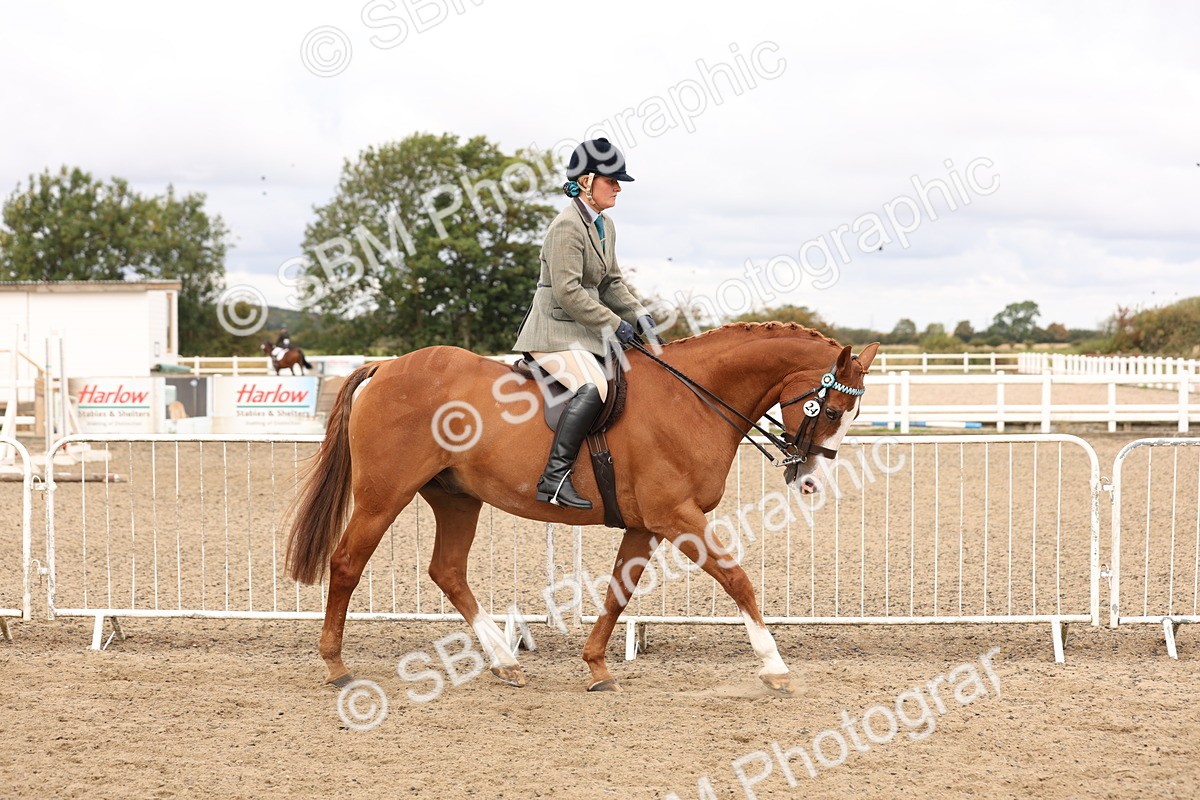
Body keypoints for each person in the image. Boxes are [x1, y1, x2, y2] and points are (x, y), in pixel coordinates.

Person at [513, 138, 663, 510]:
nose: (618, 187)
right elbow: (567, 292)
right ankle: (555, 477)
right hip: (552, 330)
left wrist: (638, 313)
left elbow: (611, 282)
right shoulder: (566, 227)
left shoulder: (604, 225)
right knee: (594, 385)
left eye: (619, 181)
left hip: (582, 331)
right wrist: (614, 324)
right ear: (586, 181)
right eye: (611, 180)